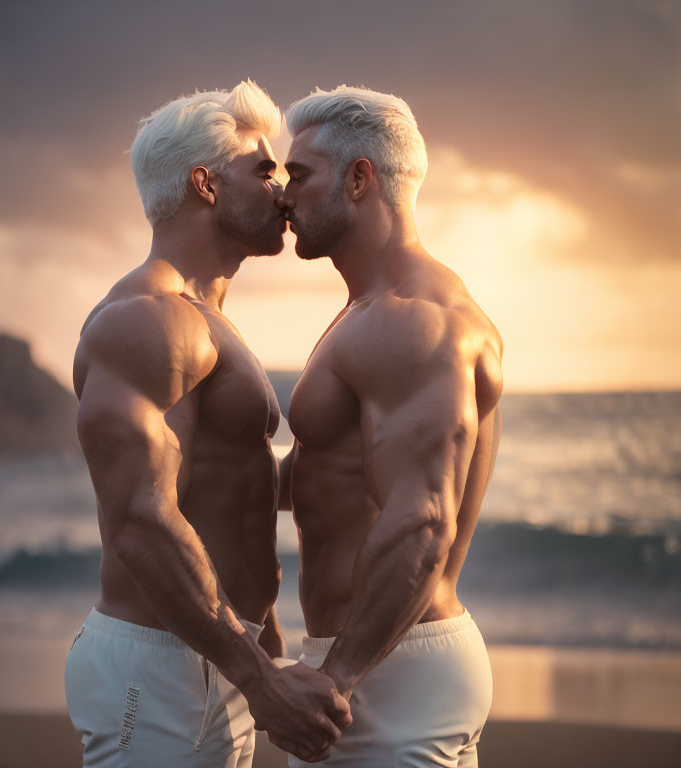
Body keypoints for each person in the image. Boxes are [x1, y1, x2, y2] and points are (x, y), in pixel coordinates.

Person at [64, 80, 351, 768]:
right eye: (263, 169)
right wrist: (259, 678)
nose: (284, 189)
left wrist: (268, 648)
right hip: (160, 667)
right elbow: (141, 520)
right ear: (206, 184)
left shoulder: (205, 321)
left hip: (218, 653)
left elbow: (228, 500)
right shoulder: (147, 320)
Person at [276, 86, 503, 767]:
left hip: (382, 674)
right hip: (384, 667)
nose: (284, 195)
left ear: (359, 178)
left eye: (300, 175)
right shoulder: (368, 313)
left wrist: (334, 680)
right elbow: (331, 474)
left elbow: (423, 520)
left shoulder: (410, 319)